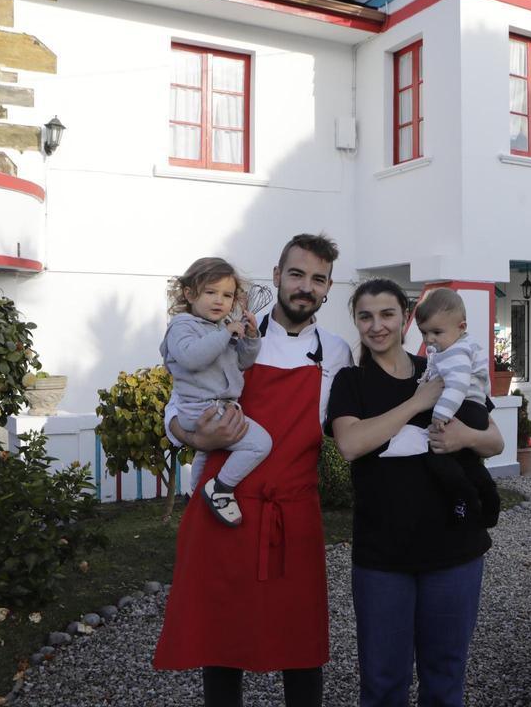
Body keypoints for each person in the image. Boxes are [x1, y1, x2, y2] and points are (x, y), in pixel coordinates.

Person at [153, 234, 354, 707]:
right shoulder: (234, 329)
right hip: (226, 511)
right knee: (221, 644)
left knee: (301, 644)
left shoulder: (338, 353)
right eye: (297, 274)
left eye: (318, 279)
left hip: (294, 515)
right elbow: (177, 405)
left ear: (327, 289)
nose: (306, 286)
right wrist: (193, 435)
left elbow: (350, 427)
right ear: (277, 276)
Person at [326, 278, 505, 707]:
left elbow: (495, 440)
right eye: (365, 316)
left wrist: (463, 437)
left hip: (454, 552)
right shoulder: (352, 381)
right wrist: (417, 402)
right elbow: (351, 444)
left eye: (387, 314)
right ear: (356, 322)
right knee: (384, 683)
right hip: (383, 558)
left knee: (445, 679)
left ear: (406, 319)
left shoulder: (443, 364)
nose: (376, 326)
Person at [161, 257, 265, 527]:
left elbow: (243, 362)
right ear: (189, 294)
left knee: (205, 455)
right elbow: (191, 357)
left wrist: (251, 337)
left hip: (213, 407)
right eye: (210, 292)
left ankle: (197, 497)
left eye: (227, 295)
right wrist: (226, 333)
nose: (219, 300)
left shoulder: (219, 329)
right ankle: (221, 488)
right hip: (202, 408)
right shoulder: (182, 325)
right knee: (260, 443)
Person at [413, 287, 501, 528]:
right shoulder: (457, 347)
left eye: (437, 332)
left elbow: (457, 385)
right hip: (475, 409)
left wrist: (441, 414)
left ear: (461, 327)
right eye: (424, 333)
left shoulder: (455, 351)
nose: (429, 339)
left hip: (462, 408)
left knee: (437, 458)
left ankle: (466, 496)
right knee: (467, 462)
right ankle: (488, 496)